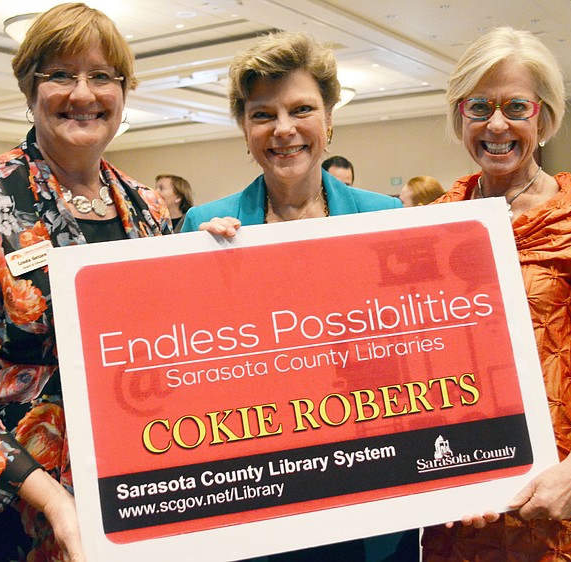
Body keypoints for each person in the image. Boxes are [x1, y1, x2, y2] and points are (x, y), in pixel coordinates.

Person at [0, 3, 171, 560]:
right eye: (61, 75)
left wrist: (215, 254)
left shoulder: (148, 208)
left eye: (102, 76)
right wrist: (51, 498)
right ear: (30, 90)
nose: (83, 93)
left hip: (121, 485)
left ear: (123, 93)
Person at [420, 27, 571, 560]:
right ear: (460, 115)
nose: (496, 124)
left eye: (516, 106)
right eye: (479, 106)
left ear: (544, 115)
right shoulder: (434, 225)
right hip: (472, 493)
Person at [182, 31, 412, 561]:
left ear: (329, 119)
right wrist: (205, 273)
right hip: (263, 493)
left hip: (375, 483)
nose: (283, 129)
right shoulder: (203, 227)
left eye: (301, 109)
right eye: (263, 115)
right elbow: (193, 374)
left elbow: (415, 347)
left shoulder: (386, 218)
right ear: (245, 130)